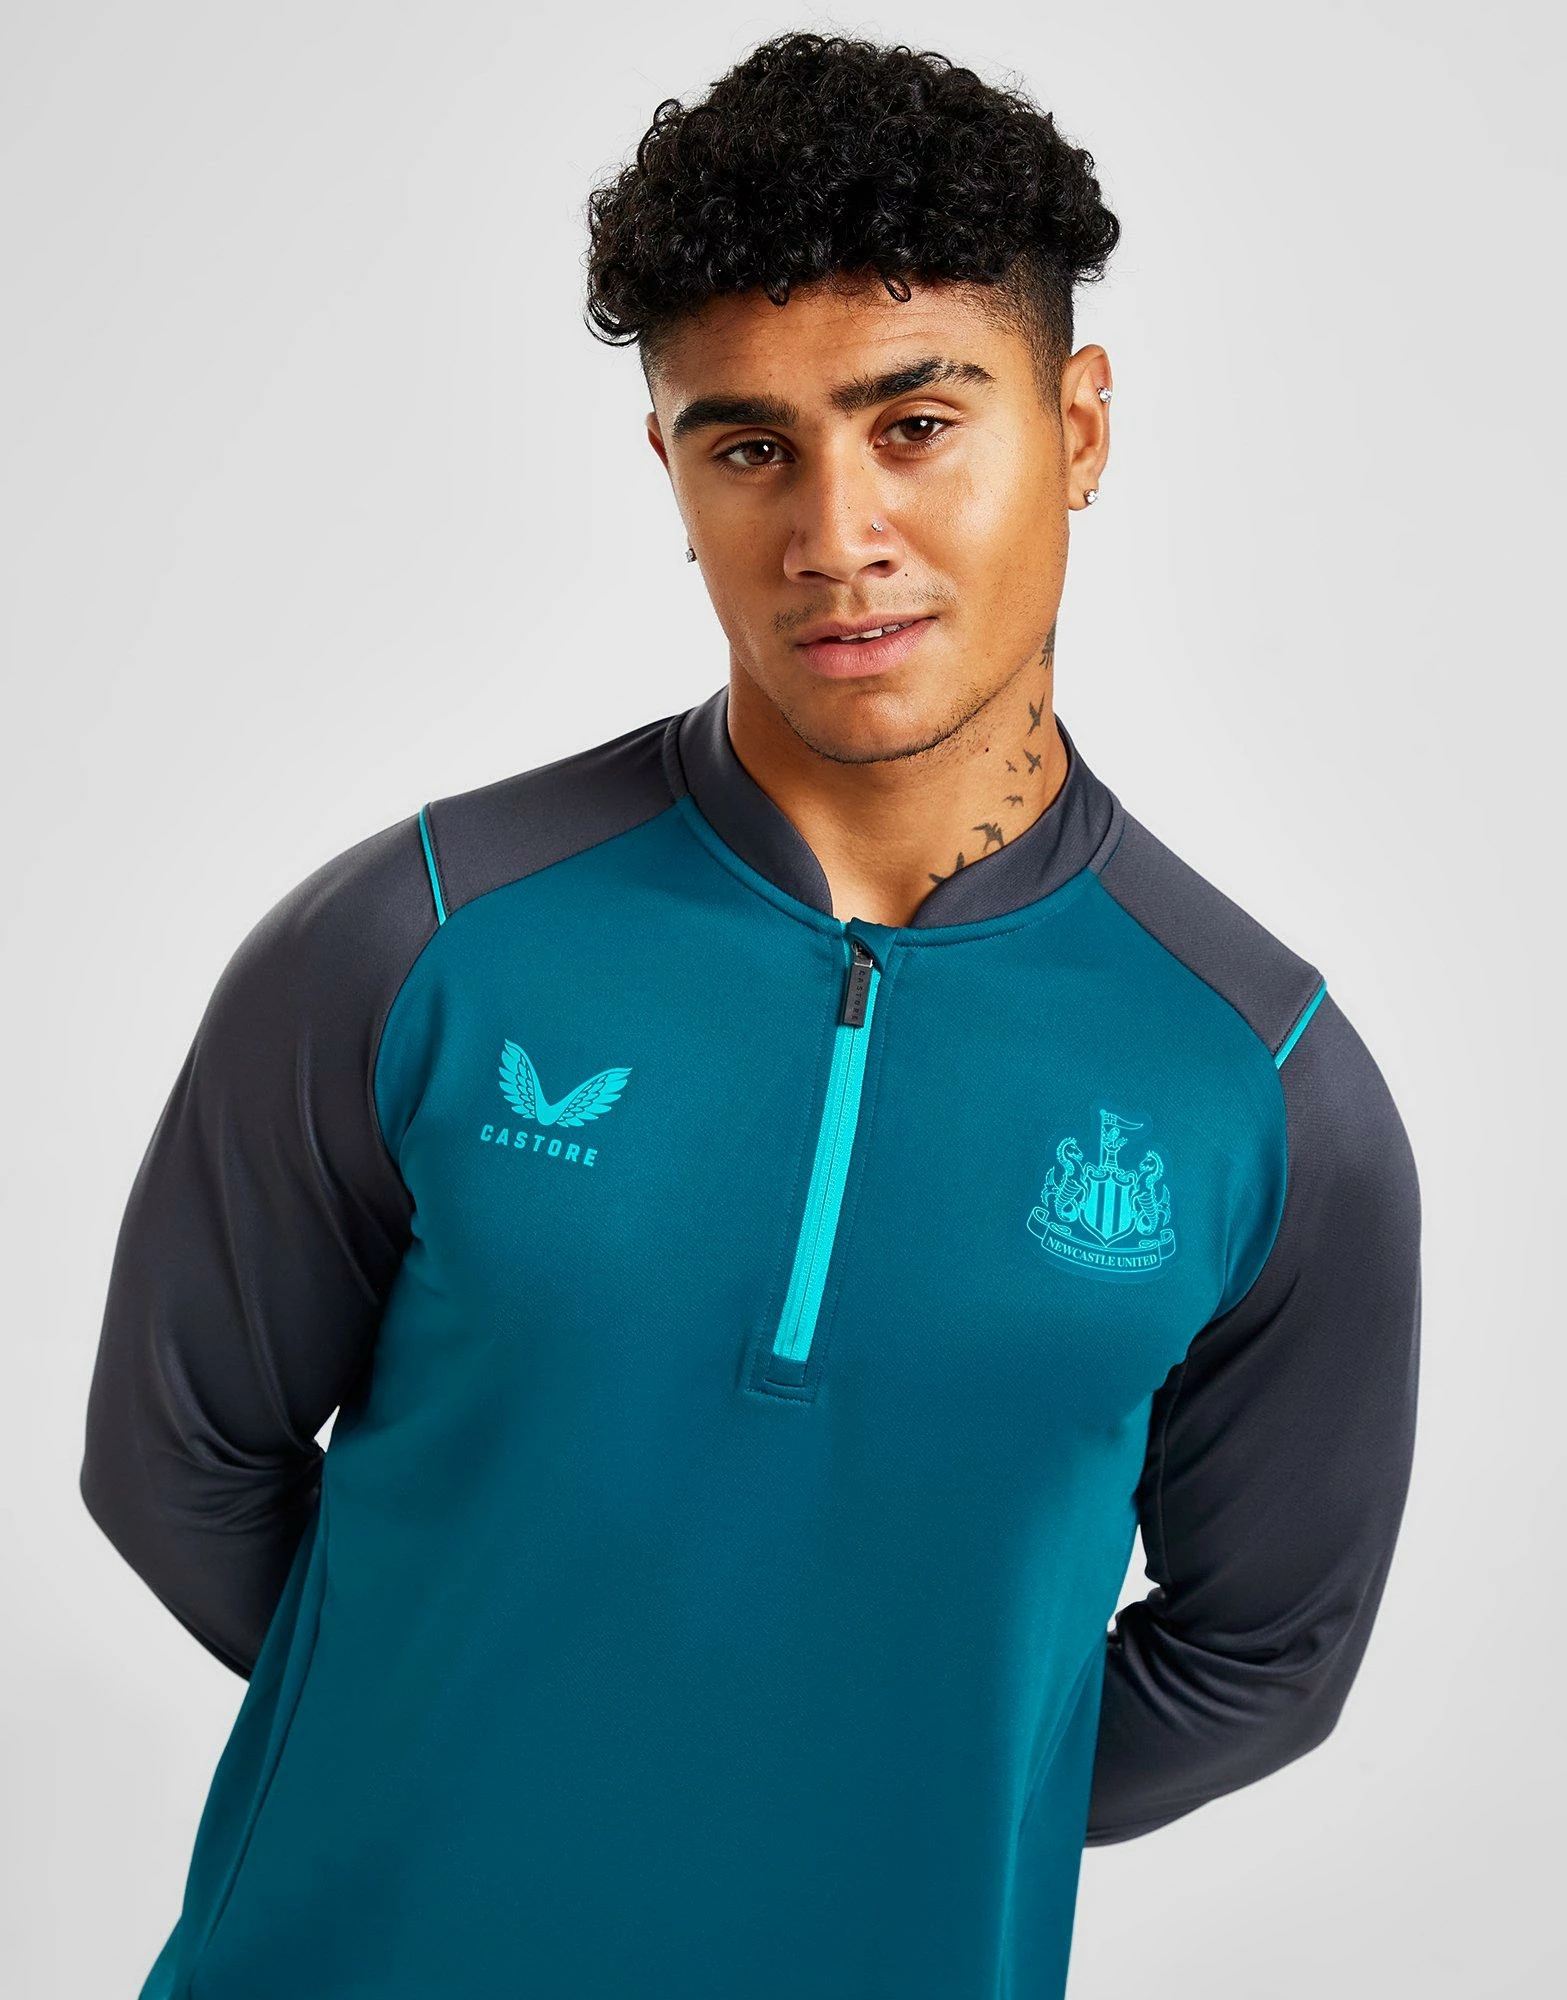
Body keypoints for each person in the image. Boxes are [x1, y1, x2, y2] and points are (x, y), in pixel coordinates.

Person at [80, 30, 1422, 2000]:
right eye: (748, 446)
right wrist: (491, 1730)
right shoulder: (418, 940)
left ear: (1080, 427)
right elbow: (178, 1459)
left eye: (916, 423)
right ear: (671, 470)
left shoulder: (1264, 1083)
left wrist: (857, 1799)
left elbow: (1263, 1654)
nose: (833, 536)